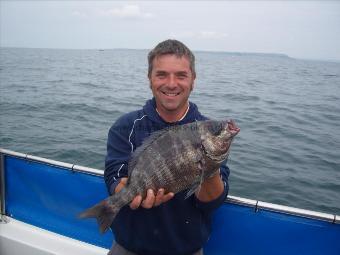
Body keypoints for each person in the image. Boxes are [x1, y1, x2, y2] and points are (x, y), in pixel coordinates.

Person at [104, 39, 230, 255]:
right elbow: (113, 176)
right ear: (149, 79)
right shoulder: (125, 126)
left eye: (181, 75)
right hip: (128, 248)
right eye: (161, 74)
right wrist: (129, 195)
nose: (171, 84)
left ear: (193, 81)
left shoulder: (209, 131)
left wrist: (208, 165)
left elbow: (211, 203)